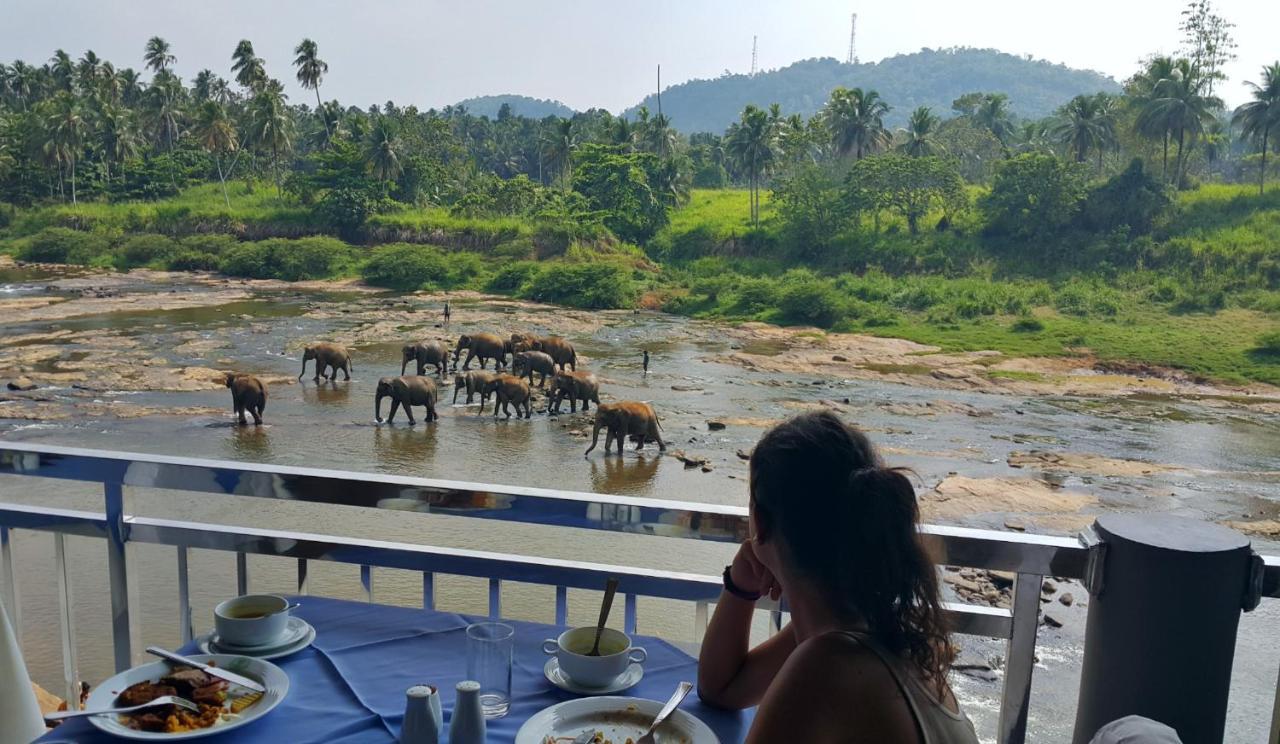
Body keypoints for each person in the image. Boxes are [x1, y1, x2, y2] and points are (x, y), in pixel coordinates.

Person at [698, 411, 978, 743]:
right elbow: (722, 690)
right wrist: (740, 586)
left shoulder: (825, 665)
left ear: (758, 521)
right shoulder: (866, 622)